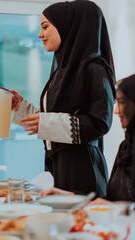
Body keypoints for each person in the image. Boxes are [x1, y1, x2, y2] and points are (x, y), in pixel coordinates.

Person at [11, 0, 115, 197]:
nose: (40, 34)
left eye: (45, 27)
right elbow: (55, 119)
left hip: (83, 169)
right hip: (58, 166)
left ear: (68, 27)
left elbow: (100, 123)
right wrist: (22, 108)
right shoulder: (62, 71)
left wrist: (47, 121)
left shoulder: (95, 68)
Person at [40, 74, 135, 203]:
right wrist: (71, 197)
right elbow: (110, 201)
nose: (116, 111)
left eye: (122, 102)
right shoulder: (126, 146)